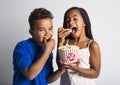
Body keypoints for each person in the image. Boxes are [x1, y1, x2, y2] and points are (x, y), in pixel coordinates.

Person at [12, 8, 65, 85]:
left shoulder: (47, 51)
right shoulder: (22, 47)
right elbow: (30, 75)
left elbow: (47, 79)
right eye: (41, 30)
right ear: (31, 32)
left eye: (50, 29)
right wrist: (48, 50)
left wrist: (61, 70)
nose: (47, 33)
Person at [57, 7, 101, 85]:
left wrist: (76, 69)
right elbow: (60, 66)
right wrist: (60, 42)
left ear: (84, 23)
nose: (70, 22)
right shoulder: (64, 43)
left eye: (75, 19)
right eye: (68, 20)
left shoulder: (92, 45)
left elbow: (96, 73)